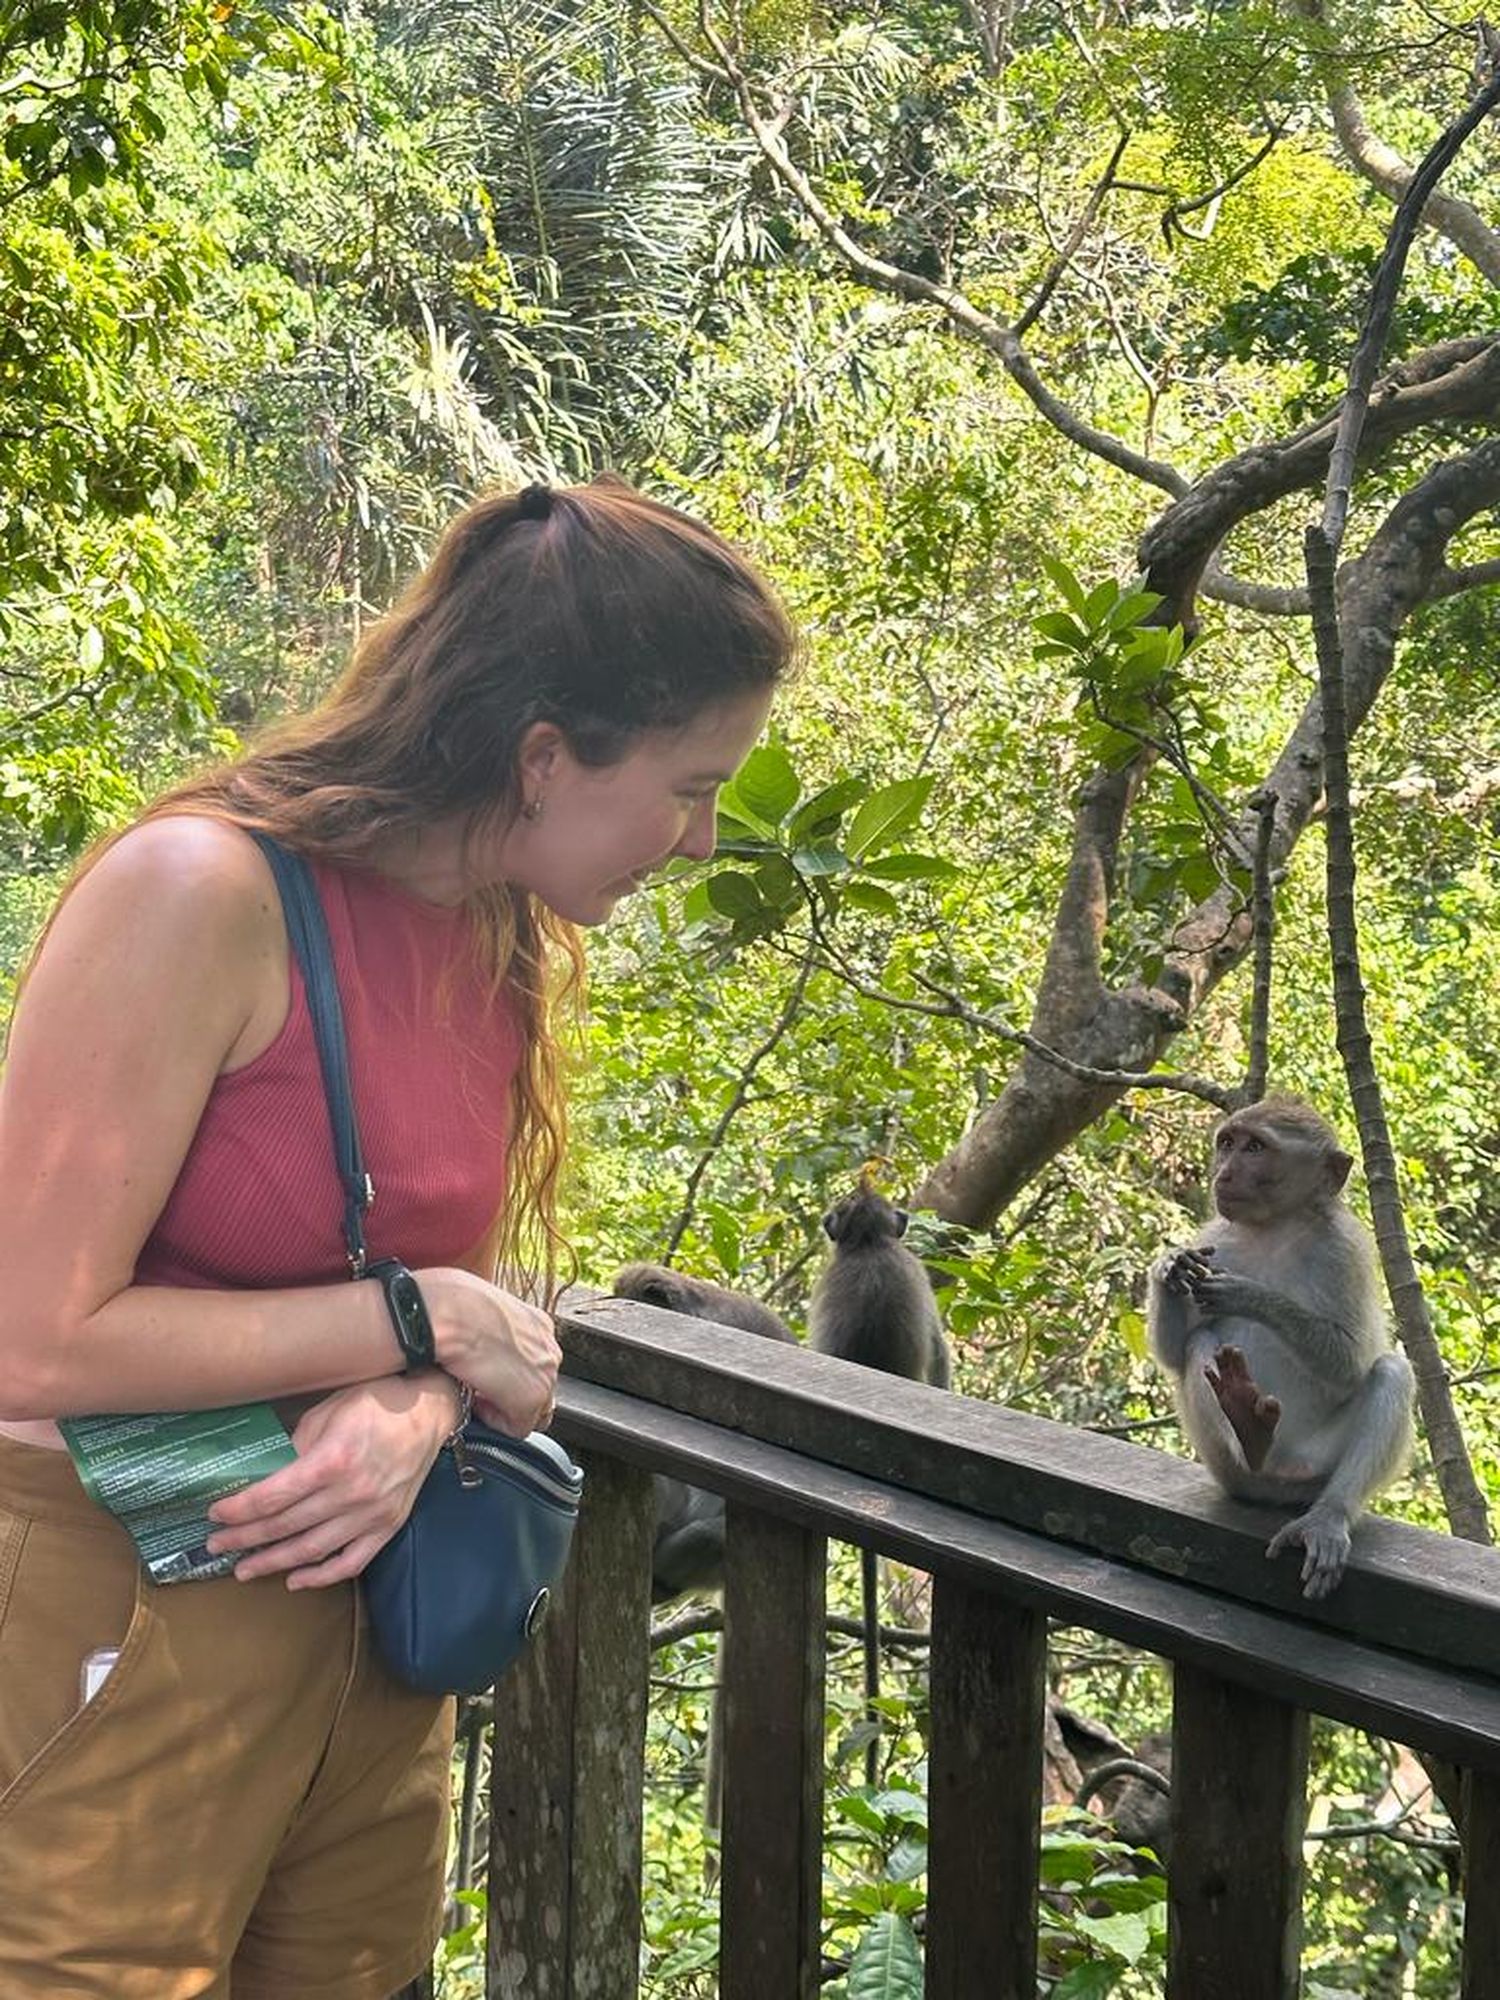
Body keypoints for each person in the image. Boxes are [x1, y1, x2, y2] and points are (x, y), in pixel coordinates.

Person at [0, 475, 796, 1999]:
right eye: (691, 787)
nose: (699, 842)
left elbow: (449, 1299)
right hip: (125, 1612)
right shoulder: (199, 893)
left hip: (371, 1634)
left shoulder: (493, 922)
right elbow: (34, 1329)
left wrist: (425, 1391)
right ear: (546, 757)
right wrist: (421, 1328)